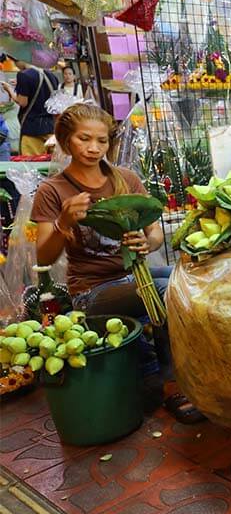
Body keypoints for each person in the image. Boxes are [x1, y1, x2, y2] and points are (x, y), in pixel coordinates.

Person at [30, 103, 204, 423]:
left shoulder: (124, 178)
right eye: (84, 139)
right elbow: (44, 257)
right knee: (168, 289)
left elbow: (154, 233)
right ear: (66, 140)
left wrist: (145, 242)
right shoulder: (52, 191)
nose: (94, 148)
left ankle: (198, 371)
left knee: (193, 276)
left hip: (133, 276)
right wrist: (63, 222)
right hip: (93, 291)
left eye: (102, 140)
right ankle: (171, 385)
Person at [0, 54, 59, 155]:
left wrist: (9, 89)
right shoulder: (51, 75)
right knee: (51, 165)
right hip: (50, 128)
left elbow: (22, 102)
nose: (16, 65)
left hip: (32, 130)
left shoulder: (23, 75)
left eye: (15, 62)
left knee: (32, 166)